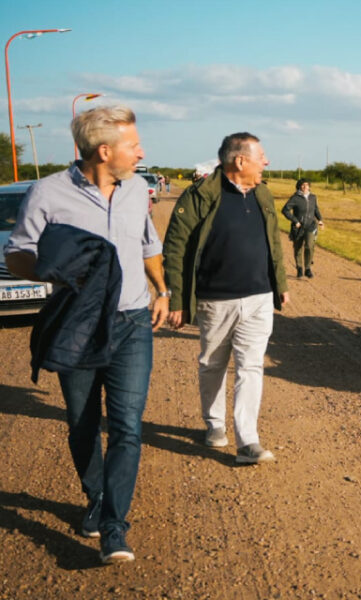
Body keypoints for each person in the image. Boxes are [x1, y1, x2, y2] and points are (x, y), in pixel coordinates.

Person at [3, 105, 170, 564]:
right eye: (133, 145)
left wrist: (163, 290)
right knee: (81, 423)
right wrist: (59, 262)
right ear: (104, 150)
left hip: (133, 321)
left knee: (126, 426)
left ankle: (115, 525)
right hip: (77, 321)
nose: (141, 152)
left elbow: (147, 244)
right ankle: (95, 496)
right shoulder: (48, 193)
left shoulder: (137, 189)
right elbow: (19, 254)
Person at [163, 132, 289, 465]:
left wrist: (280, 283)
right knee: (212, 364)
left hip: (259, 297)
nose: (267, 161)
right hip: (214, 300)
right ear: (239, 160)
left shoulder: (263, 194)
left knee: (251, 366)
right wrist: (176, 299)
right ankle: (215, 425)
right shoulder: (199, 196)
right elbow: (175, 249)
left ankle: (248, 440)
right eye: (261, 155)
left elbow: (273, 242)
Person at [281, 178, 324, 278]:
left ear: (309, 186)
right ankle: (299, 269)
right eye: (303, 185)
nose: (305, 187)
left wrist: (320, 220)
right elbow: (285, 210)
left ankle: (308, 269)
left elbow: (315, 209)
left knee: (309, 246)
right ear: (299, 186)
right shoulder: (295, 198)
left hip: (310, 226)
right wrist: (295, 221)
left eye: (307, 185)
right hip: (298, 227)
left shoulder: (313, 197)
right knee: (298, 248)